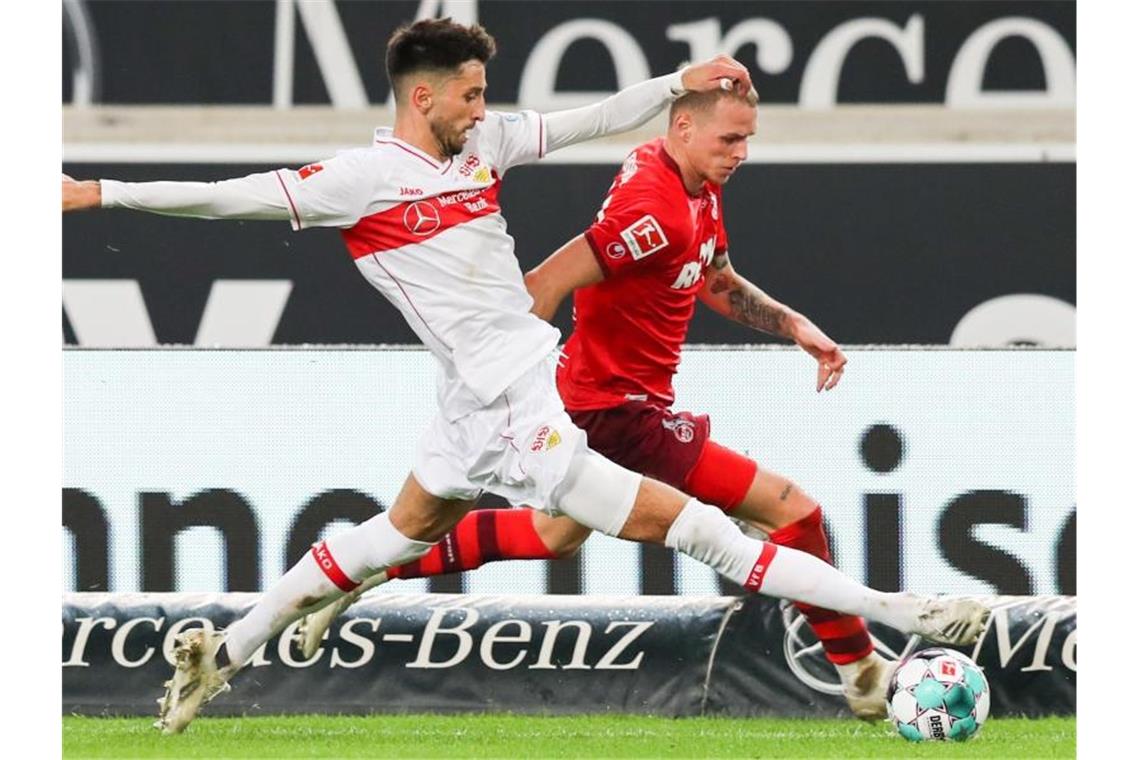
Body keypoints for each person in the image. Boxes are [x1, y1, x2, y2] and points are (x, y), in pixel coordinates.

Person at [62, 18, 988, 735]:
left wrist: (676, 83)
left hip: (474, 403)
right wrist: (100, 194)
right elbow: (234, 198)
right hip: (511, 410)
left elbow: (593, 119)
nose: (483, 108)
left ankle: (220, 655)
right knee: (704, 532)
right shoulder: (356, 181)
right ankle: (905, 613)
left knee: (394, 536)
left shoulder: (485, 146)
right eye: (469, 94)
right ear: (422, 97)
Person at [294, 84, 885, 720]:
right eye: (730, 139)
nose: (741, 152)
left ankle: (363, 569)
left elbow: (710, 276)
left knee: (552, 536)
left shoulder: (693, 186)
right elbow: (543, 285)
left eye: (747, 139)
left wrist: (794, 325)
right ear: (683, 128)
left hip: (604, 400)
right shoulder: (651, 209)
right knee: (791, 511)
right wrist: (500, 388)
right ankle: (865, 677)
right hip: (617, 410)